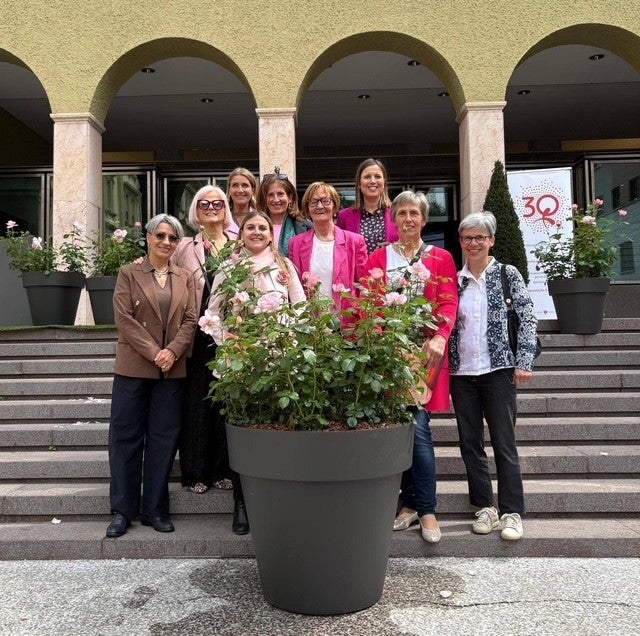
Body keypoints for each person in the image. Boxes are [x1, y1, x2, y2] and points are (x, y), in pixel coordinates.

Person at [366, 190, 458, 544]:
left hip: (423, 356)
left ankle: (427, 509)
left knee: (418, 429)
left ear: (424, 219)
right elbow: (370, 304)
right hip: (391, 356)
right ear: (394, 219)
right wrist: (382, 342)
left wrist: (441, 337)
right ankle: (410, 505)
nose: (408, 219)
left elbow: (448, 302)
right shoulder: (379, 257)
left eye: (414, 213)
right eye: (401, 213)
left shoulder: (441, 257)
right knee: (398, 429)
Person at [205, 210, 306, 534]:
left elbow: (300, 306)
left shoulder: (283, 265)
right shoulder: (230, 267)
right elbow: (212, 313)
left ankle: (277, 501)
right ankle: (242, 504)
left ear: (270, 233)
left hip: (278, 360)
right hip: (242, 360)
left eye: (263, 227)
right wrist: (228, 341)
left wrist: (288, 337)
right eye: (251, 227)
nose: (258, 232)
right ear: (242, 232)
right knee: (243, 433)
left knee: (277, 430)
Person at [106, 214, 197, 538]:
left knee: (163, 439)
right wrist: (155, 352)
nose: (166, 242)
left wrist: (171, 351)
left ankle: (155, 509)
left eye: (172, 238)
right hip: (133, 367)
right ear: (148, 237)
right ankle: (122, 511)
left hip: (171, 371)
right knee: (125, 438)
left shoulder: (185, 277)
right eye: (160, 235)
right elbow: (124, 319)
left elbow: (191, 319)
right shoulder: (128, 273)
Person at [448, 211, 537, 541]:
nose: (473, 243)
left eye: (480, 237)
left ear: (491, 241)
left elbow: (527, 318)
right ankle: (485, 506)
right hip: (462, 373)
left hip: (499, 371)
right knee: (470, 444)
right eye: (467, 238)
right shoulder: (454, 281)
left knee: (504, 443)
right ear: (461, 242)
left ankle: (512, 512)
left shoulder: (506, 274)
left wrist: (523, 361)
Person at [174, 186, 236, 495]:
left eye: (218, 203)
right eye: (204, 204)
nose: (211, 208)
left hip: (232, 332)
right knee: (197, 399)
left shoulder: (238, 245)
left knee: (225, 401)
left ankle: (222, 469)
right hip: (198, 332)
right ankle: (195, 472)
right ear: (196, 211)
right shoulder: (186, 246)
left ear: (226, 210)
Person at [288, 181, 367, 308]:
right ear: (308, 209)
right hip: (310, 317)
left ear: (335, 207)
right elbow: (295, 287)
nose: (319, 206)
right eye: (313, 202)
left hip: (345, 316)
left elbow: (364, 284)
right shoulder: (295, 244)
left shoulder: (355, 241)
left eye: (325, 201)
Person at [337, 158, 399, 255]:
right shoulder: (344, 217)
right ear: (359, 183)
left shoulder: (398, 213)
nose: (373, 181)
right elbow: (340, 252)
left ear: (384, 183)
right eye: (367, 177)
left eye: (377, 176)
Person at [255, 168, 311, 257]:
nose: (276, 200)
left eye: (280, 194)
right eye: (270, 195)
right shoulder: (254, 225)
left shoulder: (305, 226)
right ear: (264, 199)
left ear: (290, 198)